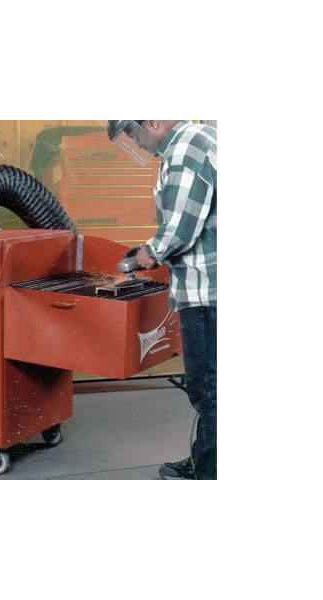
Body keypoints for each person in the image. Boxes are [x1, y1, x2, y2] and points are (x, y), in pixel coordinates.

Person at [107, 120, 217, 480]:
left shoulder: (185, 148)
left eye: (134, 135)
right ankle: (206, 461)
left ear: (151, 121)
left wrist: (147, 254)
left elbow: (180, 228)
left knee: (209, 389)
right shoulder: (200, 138)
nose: (137, 145)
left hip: (206, 292)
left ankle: (209, 474)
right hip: (212, 286)